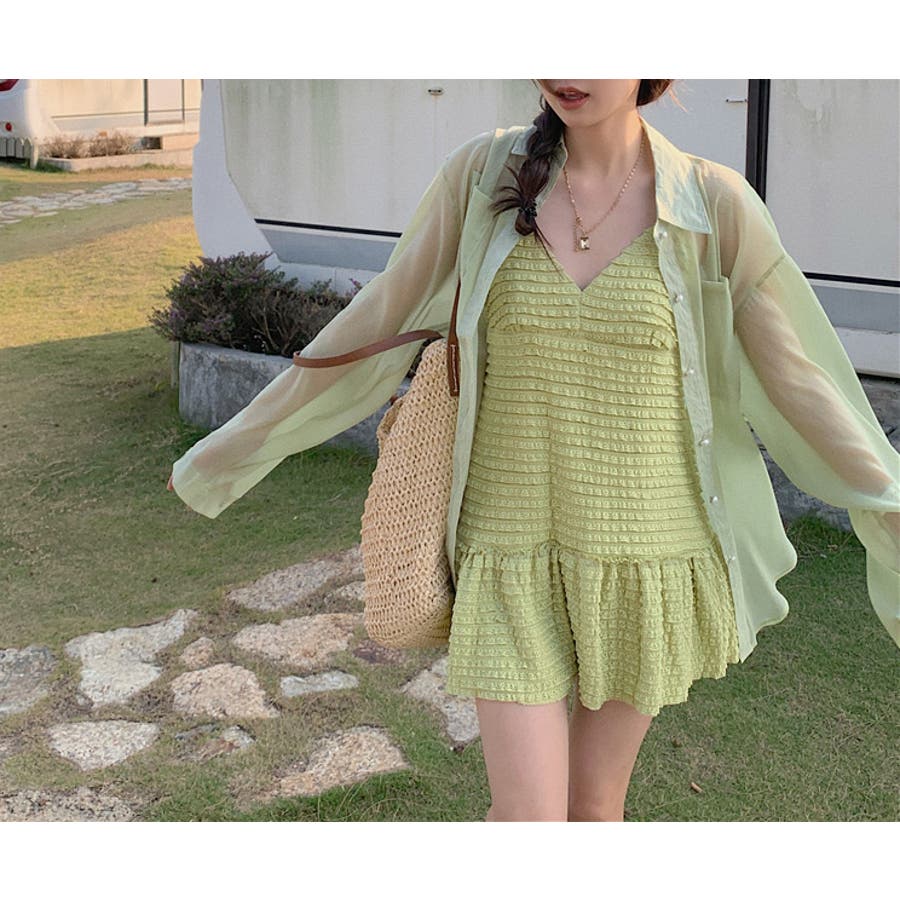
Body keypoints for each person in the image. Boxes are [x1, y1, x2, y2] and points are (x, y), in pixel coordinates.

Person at [168, 79, 900, 822]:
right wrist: (232, 446)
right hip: (506, 555)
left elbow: (801, 381)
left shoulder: (711, 205)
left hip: (644, 564)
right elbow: (377, 319)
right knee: (529, 820)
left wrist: (889, 498)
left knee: (594, 812)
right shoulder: (482, 176)